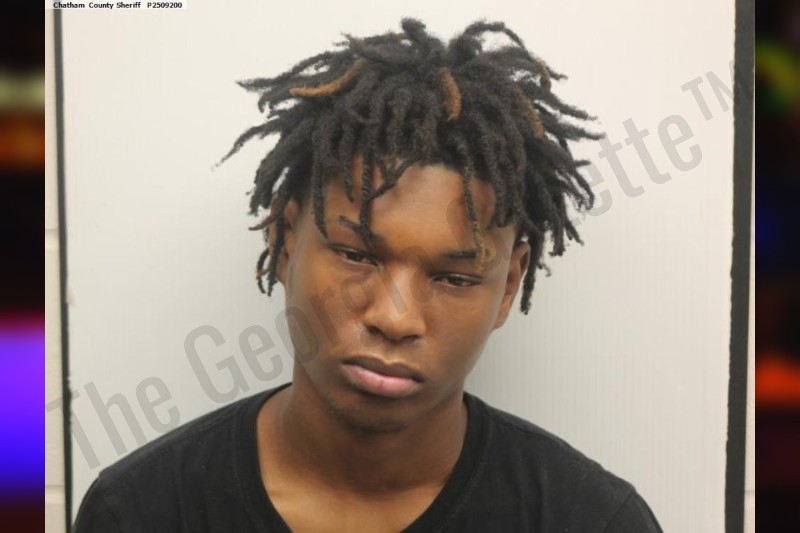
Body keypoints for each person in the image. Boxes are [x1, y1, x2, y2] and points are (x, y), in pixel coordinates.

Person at [73, 18, 663, 532]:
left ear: (508, 286)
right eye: (357, 255)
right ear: (284, 241)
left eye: (455, 278)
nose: (394, 318)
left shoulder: (590, 520)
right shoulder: (141, 512)